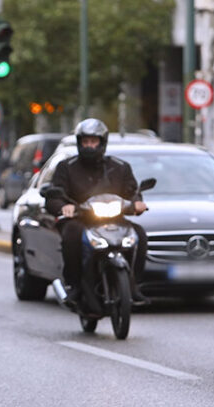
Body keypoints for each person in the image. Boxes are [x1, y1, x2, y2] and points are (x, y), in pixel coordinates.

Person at [44, 118, 148, 317]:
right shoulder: (67, 167)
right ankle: (74, 285)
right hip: (81, 219)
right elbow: (54, 195)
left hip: (114, 218)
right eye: (86, 142)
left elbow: (132, 192)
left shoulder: (120, 167)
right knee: (71, 235)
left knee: (140, 234)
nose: (90, 146)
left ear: (102, 142)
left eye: (94, 142)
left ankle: (135, 285)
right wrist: (64, 206)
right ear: (79, 142)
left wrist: (137, 203)